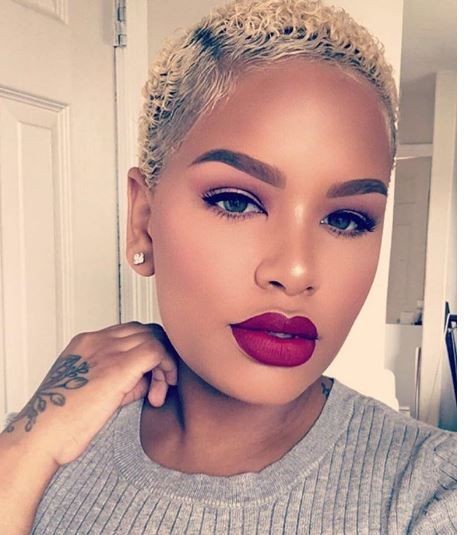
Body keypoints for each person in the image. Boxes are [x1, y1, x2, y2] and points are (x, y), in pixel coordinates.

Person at [0, 0, 456, 533]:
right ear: (143, 220)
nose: (296, 270)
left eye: (347, 219)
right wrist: (24, 450)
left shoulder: (434, 492)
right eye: (237, 202)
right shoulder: (45, 442)